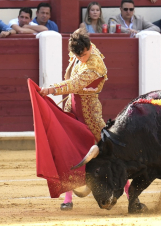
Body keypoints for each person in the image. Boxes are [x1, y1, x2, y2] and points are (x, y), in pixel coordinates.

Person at [38, 28, 109, 211]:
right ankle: (68, 198)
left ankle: (129, 193)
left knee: (109, 150)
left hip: (89, 113)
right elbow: (70, 78)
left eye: (84, 55)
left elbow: (74, 84)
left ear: (88, 48)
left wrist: (51, 89)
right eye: (78, 55)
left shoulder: (95, 64)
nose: (81, 58)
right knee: (67, 149)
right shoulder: (79, 51)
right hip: (72, 107)